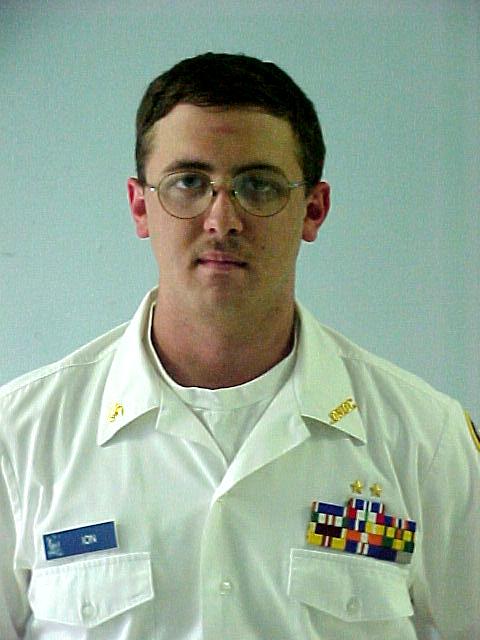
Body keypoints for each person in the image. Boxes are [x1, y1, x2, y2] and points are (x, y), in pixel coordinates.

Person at [0, 52, 478, 640]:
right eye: (189, 183)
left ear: (313, 210)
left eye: (259, 185)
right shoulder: (20, 438)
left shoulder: (427, 439)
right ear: (140, 205)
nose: (222, 219)